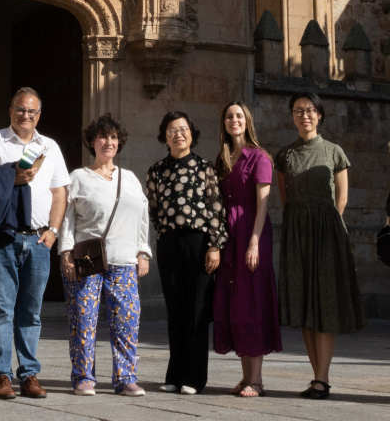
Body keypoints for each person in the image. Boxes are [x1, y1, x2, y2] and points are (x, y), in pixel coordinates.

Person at [0, 87, 70, 399]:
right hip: (2, 238)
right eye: (19, 109)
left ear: (39, 115)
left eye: (31, 111)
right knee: (1, 310)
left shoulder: (49, 147)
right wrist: (8, 178)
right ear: (10, 111)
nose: (25, 115)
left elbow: (59, 193)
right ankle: (1, 374)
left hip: (38, 238)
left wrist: (53, 231)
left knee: (31, 311)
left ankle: (29, 374)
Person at [275, 92, 365, 400]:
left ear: (320, 115)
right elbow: (285, 199)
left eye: (310, 110)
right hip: (296, 233)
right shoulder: (285, 155)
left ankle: (323, 379)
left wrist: (328, 227)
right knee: (303, 304)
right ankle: (317, 376)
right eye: (298, 111)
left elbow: (342, 198)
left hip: (327, 233)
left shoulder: (334, 151)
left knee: (324, 303)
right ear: (292, 116)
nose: (304, 116)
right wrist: (299, 224)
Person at [58, 114, 151, 396]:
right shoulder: (78, 177)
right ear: (92, 142)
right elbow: (66, 219)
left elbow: (142, 217)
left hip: (124, 260)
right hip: (88, 260)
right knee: (83, 320)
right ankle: (84, 377)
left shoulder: (130, 178)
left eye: (113, 137)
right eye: (103, 137)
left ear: (119, 142)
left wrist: (142, 251)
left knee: (126, 321)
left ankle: (126, 378)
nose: (108, 142)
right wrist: (65, 252)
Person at [144, 110, 224, 395]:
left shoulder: (204, 167)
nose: (178, 134)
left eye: (183, 129)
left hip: (199, 242)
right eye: (172, 130)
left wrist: (215, 245)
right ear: (164, 137)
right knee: (176, 309)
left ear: (191, 132)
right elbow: (153, 210)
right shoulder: (156, 171)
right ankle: (174, 374)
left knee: (197, 311)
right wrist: (167, 235)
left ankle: (193, 377)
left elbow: (215, 209)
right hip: (169, 243)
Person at [212, 101, 279, 396]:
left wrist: (254, 240)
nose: (233, 120)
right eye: (229, 116)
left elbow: (263, 203)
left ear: (247, 121)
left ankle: (257, 379)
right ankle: (244, 376)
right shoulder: (224, 156)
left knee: (252, 299)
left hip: (253, 229)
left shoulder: (260, 156)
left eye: (238, 116)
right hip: (230, 233)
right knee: (235, 301)